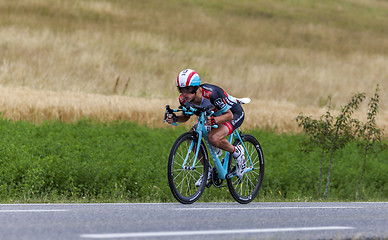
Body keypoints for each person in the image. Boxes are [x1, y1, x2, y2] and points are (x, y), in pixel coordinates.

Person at [166, 69, 246, 185]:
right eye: (182, 90)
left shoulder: (211, 94)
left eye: (188, 89)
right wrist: (175, 118)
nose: (185, 94)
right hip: (213, 116)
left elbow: (229, 115)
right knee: (191, 135)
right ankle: (207, 170)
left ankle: (237, 152)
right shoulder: (184, 99)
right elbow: (186, 116)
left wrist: (215, 120)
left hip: (233, 113)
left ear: (196, 87)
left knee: (213, 138)